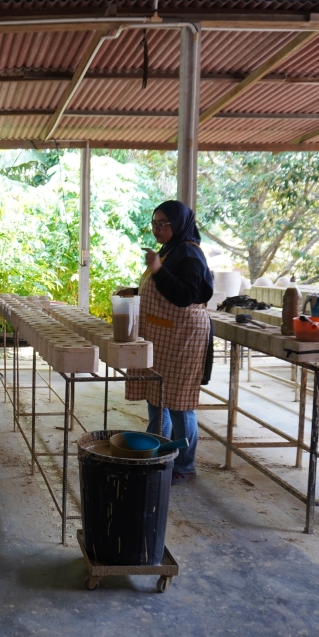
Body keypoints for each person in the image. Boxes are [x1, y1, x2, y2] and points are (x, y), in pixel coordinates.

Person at [122, 200, 214, 485]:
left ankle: (184, 465)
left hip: (183, 339)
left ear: (180, 223)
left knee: (179, 402)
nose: (157, 228)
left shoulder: (189, 254)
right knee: (157, 396)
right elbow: (167, 288)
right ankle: (156, 452)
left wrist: (158, 270)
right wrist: (138, 289)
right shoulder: (172, 250)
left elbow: (185, 295)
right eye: (155, 223)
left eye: (164, 223)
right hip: (164, 336)